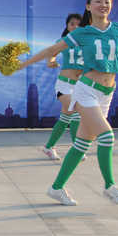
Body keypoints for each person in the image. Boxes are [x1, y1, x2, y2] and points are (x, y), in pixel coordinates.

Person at [19, 0, 118, 206]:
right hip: (86, 91)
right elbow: (52, 50)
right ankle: (110, 186)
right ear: (88, 6)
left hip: (106, 94)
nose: (103, 5)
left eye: (107, 1)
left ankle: (56, 188)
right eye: (98, 1)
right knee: (107, 137)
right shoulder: (81, 32)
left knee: (81, 145)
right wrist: (23, 64)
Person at [42, 13, 86, 162]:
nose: (75, 26)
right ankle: (78, 149)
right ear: (67, 26)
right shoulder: (63, 41)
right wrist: (50, 62)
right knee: (76, 113)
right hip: (64, 84)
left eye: (78, 24)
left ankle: (49, 147)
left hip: (81, 85)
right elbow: (52, 54)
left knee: (65, 118)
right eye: (72, 24)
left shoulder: (89, 42)